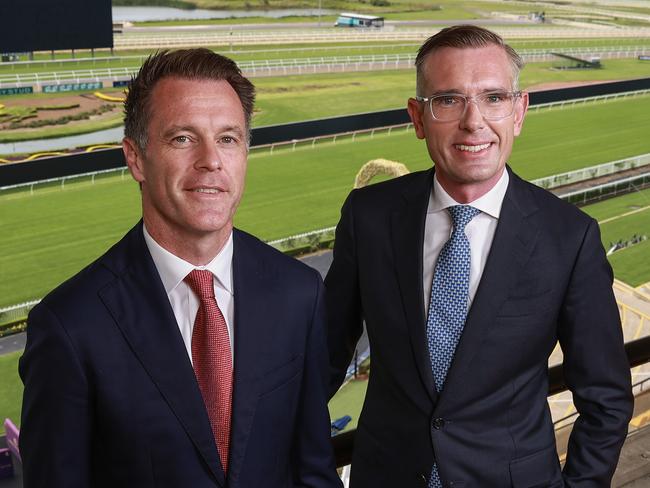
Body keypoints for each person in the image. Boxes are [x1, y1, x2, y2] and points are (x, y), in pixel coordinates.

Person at [326, 25, 633, 487]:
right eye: (449, 100)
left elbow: (606, 397)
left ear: (519, 111)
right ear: (417, 117)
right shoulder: (368, 217)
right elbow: (322, 359)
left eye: (493, 98)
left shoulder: (569, 238)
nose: (474, 121)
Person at [20, 49, 341, 488]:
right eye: (183, 138)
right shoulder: (70, 326)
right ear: (135, 158)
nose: (211, 160)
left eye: (227, 138)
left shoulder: (299, 292)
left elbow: (313, 471)